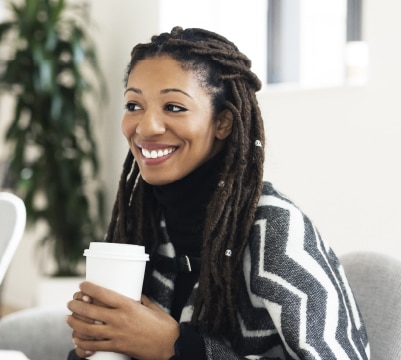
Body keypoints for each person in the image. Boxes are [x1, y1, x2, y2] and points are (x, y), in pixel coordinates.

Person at [65, 27, 369, 360]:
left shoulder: (274, 229)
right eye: (134, 104)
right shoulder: (146, 220)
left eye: (175, 107)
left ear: (223, 122)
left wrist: (176, 348)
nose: (146, 126)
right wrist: (96, 345)